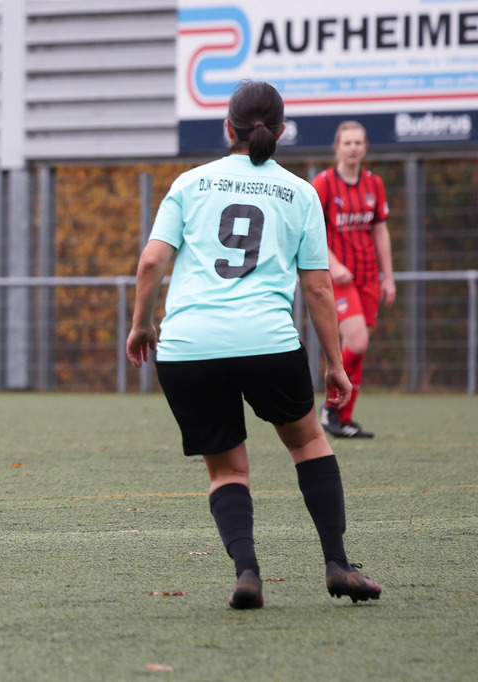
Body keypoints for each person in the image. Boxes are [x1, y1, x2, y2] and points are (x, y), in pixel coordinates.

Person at [126, 81, 381, 609]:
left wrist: (142, 325)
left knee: (227, 471)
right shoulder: (301, 192)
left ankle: (247, 573)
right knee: (309, 442)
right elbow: (316, 286)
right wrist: (336, 364)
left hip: (189, 347)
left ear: (228, 128)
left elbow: (151, 261)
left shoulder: (190, 182)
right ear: (280, 131)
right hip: (266, 342)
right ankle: (337, 564)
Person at [312, 121, 394, 438]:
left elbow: (380, 230)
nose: (353, 148)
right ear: (337, 147)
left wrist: (388, 277)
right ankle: (330, 407)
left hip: (368, 275)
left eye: (358, 142)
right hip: (340, 277)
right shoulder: (324, 183)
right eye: (347, 142)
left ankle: (344, 419)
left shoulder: (374, 184)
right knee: (357, 342)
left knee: (358, 348)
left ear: (366, 147)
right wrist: (331, 264)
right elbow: (313, 230)